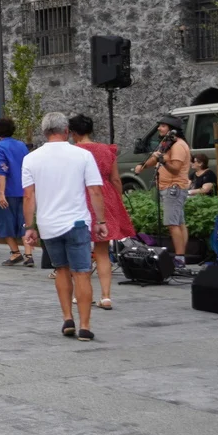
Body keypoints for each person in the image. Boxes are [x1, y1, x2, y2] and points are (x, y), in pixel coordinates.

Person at [22, 113, 109, 342]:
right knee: (81, 273)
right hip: (77, 222)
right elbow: (95, 190)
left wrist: (29, 226)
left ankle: (67, 318)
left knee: (61, 270)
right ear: (67, 131)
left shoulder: (31, 159)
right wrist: (100, 221)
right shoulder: (83, 155)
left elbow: (29, 196)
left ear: (44, 132)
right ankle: (85, 326)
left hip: (48, 224)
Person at [69, 114, 135, 310]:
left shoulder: (73, 152)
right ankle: (106, 296)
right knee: (102, 251)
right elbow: (115, 179)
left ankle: (80, 294)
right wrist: (118, 200)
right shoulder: (107, 149)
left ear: (73, 133)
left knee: (80, 248)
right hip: (105, 197)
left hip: (81, 196)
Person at [133, 115, 192, 269]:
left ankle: (179, 259)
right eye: (160, 125)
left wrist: (163, 161)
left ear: (172, 130)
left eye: (163, 126)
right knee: (179, 223)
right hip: (169, 187)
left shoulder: (178, 146)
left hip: (174, 188)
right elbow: (154, 158)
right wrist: (143, 165)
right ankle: (180, 257)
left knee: (172, 224)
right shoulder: (166, 143)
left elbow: (175, 169)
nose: (159, 128)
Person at [0, 117, 32, 267]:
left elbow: (1, 170)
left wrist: (1, 193)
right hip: (23, 189)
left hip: (7, 191)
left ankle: (15, 252)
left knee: (5, 223)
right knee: (24, 222)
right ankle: (28, 255)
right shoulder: (21, 145)